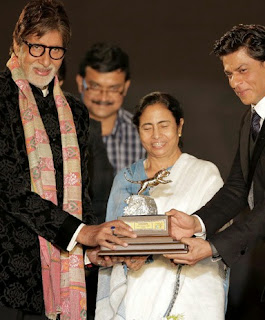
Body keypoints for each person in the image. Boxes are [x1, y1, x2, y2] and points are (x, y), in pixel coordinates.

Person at [0, 1, 136, 319]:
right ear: (18, 44)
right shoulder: (2, 100)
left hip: (64, 279)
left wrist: (89, 250)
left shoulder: (75, 111)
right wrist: (81, 233)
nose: (46, 60)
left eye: (56, 51)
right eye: (37, 48)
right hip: (8, 279)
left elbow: (81, 194)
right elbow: (9, 191)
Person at [95, 92, 228, 320]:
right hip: (136, 295)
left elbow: (221, 237)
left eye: (163, 125)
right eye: (147, 127)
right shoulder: (126, 179)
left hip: (193, 294)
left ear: (179, 126)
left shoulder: (205, 174)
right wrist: (125, 257)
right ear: (138, 130)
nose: (156, 135)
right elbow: (111, 239)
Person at [165, 24, 265, 317]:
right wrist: (195, 223)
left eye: (243, 70)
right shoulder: (251, 119)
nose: (234, 82)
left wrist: (211, 247)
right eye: (229, 74)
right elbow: (237, 188)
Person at [76, 42, 146, 174]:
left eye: (113, 88)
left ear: (125, 87)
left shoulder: (143, 134)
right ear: (81, 83)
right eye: (95, 86)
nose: (103, 97)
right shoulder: (59, 129)